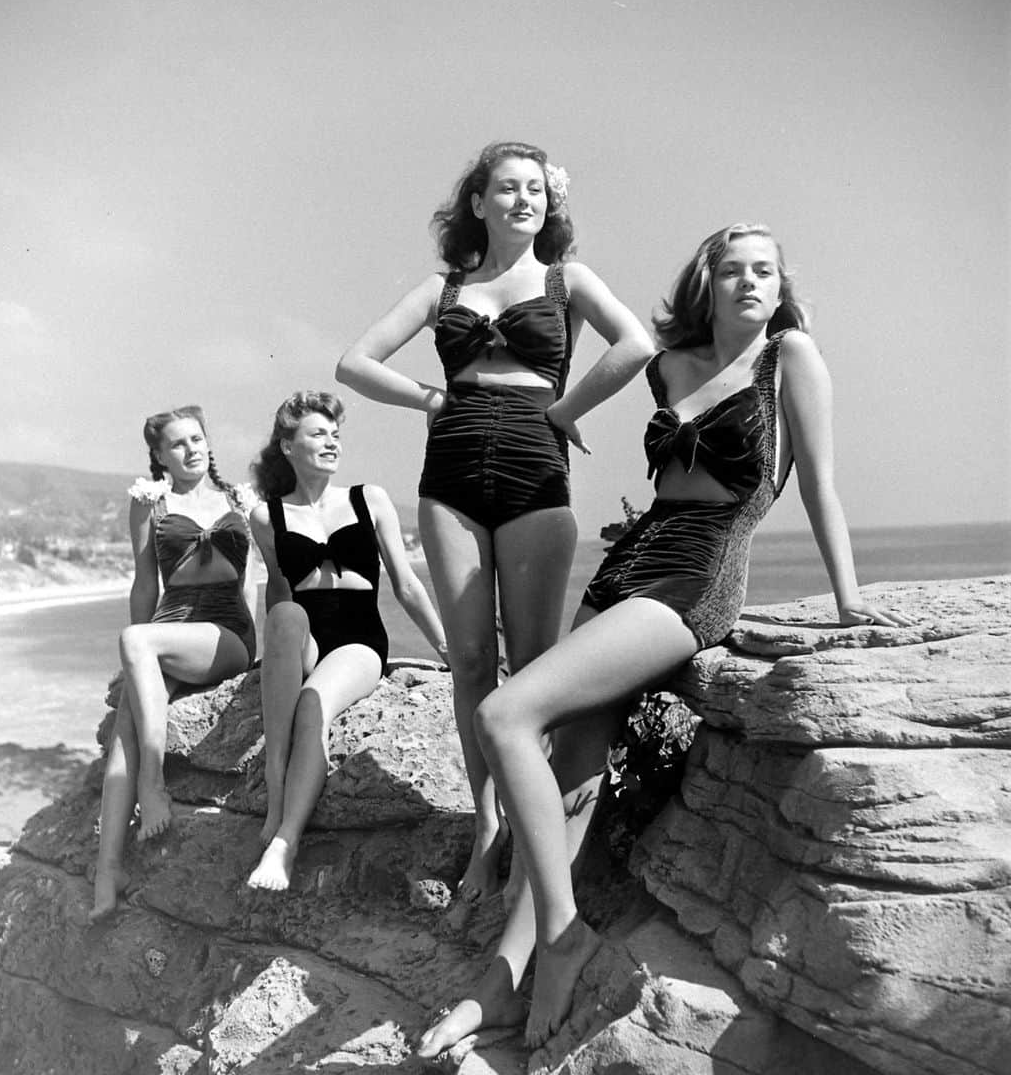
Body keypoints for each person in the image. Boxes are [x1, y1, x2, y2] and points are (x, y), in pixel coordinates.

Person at [417, 223, 914, 1056]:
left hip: (700, 575)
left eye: (765, 271)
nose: (749, 283)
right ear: (706, 281)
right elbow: (573, 371)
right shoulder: (668, 362)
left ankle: (564, 941)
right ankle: (500, 985)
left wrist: (848, 604)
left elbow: (821, 483)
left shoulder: (790, 357)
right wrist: (563, 412)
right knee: (570, 772)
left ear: (781, 284)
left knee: (506, 715)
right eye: (732, 271)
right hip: (629, 566)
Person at [336, 141, 655, 902]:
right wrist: (427, 398)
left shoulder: (564, 279)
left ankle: (532, 835)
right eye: (507, 188)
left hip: (535, 471)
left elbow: (638, 344)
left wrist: (567, 409)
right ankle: (488, 829)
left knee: (536, 666)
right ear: (476, 202)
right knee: (473, 659)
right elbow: (354, 362)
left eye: (536, 189)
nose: (524, 200)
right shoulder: (443, 289)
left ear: (551, 202)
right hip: (446, 478)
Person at [245, 391, 447, 891]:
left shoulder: (368, 498)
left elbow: (406, 585)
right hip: (305, 636)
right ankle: (276, 786)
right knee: (288, 612)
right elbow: (276, 588)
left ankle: (285, 842)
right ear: (288, 446)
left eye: (336, 434)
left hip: (357, 638)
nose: (332, 441)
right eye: (318, 433)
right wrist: (267, 660)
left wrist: (449, 650)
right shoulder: (266, 516)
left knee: (313, 704)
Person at [90, 405, 256, 922]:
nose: (192, 449)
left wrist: (257, 652)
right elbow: (145, 584)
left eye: (198, 438)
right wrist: (133, 663)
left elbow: (250, 582)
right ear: (159, 456)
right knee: (127, 724)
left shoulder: (238, 500)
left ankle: (153, 784)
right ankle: (108, 868)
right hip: (167, 632)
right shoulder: (150, 503)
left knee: (136, 644)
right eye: (178, 443)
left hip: (225, 634)